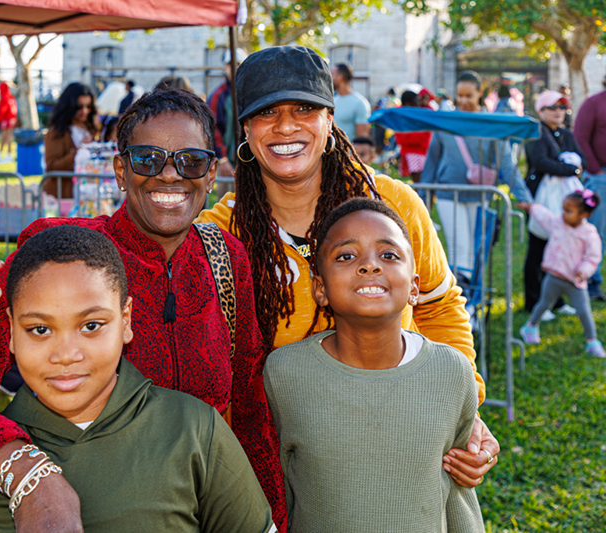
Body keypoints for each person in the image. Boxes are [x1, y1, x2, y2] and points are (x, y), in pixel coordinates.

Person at [0, 87, 285, 531]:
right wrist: (26, 475)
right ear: (120, 170)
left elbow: (251, 413)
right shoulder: (63, 255)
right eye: (146, 159)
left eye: (191, 160)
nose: (170, 176)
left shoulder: (225, 258)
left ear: (212, 173)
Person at [196, 46, 500, 485]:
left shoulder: (392, 205)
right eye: (266, 113)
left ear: (329, 118)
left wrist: (462, 409)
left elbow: (439, 305)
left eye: (304, 107)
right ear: (245, 127)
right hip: (280, 463)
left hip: (405, 440)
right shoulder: (219, 234)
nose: (286, 126)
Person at [0, 224, 276, 533]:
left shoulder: (195, 431)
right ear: (10, 330)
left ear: (126, 319)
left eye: (91, 325)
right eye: (40, 329)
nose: (66, 354)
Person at [264, 198, 484, 532]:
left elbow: (459, 494)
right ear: (319, 288)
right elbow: (275, 494)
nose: (369, 266)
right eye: (346, 256)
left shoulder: (452, 372)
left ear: (413, 287)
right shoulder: (283, 375)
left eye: (389, 255)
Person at [421, 70, 533, 283]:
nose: (463, 101)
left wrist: (523, 196)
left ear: (479, 93)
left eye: (468, 96)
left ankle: (470, 302)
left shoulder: (489, 124)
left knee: (476, 250)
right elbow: (432, 162)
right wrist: (423, 197)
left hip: (480, 195)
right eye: (459, 96)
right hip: (448, 193)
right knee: (458, 249)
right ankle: (461, 302)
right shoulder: (446, 123)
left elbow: (507, 163)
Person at [518, 190, 605, 357]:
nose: (563, 213)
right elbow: (545, 216)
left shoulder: (589, 233)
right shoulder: (558, 223)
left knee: (584, 311)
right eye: (563, 209)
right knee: (543, 304)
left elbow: (593, 257)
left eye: (568, 210)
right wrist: (531, 208)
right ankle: (530, 327)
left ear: (583, 214)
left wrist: (584, 270)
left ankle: (592, 341)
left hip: (575, 282)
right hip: (554, 277)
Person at [523, 90, 586, 316]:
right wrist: (571, 168)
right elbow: (541, 162)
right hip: (540, 198)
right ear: (541, 110)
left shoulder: (565, 134)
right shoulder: (535, 133)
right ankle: (533, 301)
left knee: (561, 250)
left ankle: (556, 302)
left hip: (563, 201)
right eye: (553, 107)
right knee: (537, 249)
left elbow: (582, 158)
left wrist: (574, 167)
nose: (558, 111)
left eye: (562, 107)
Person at [573, 74, 606, 302]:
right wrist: (596, 170)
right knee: (597, 232)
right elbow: (580, 138)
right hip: (600, 178)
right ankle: (591, 281)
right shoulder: (594, 103)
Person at [43, 82, 100, 198]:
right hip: (63, 198)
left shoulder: (93, 130)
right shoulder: (57, 132)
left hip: (89, 197)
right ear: (69, 106)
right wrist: (79, 152)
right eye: (79, 106)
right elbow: (52, 167)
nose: (84, 111)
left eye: (88, 106)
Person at [207, 48, 249, 180]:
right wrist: (222, 158)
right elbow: (213, 127)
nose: (235, 68)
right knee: (226, 198)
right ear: (226, 67)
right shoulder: (218, 96)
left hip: (250, 159)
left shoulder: (252, 94)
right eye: (232, 65)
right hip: (228, 162)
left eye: (238, 64)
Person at [395, 90, 432, 182]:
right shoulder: (401, 115)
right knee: (418, 181)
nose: (418, 105)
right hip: (413, 153)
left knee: (423, 181)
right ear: (408, 104)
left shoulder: (413, 113)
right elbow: (402, 139)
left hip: (421, 151)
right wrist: (422, 136)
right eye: (416, 102)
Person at [331, 62, 371, 138]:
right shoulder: (332, 100)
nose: (329, 78)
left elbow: (362, 137)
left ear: (340, 77)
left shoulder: (360, 103)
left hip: (348, 149)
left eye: (332, 74)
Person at [0, 81, 18, 164]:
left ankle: (8, 153)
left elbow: (1, 112)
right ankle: (2, 152)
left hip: (7, 119)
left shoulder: (4, 98)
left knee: (7, 136)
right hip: (10, 119)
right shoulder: (11, 97)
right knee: (5, 136)